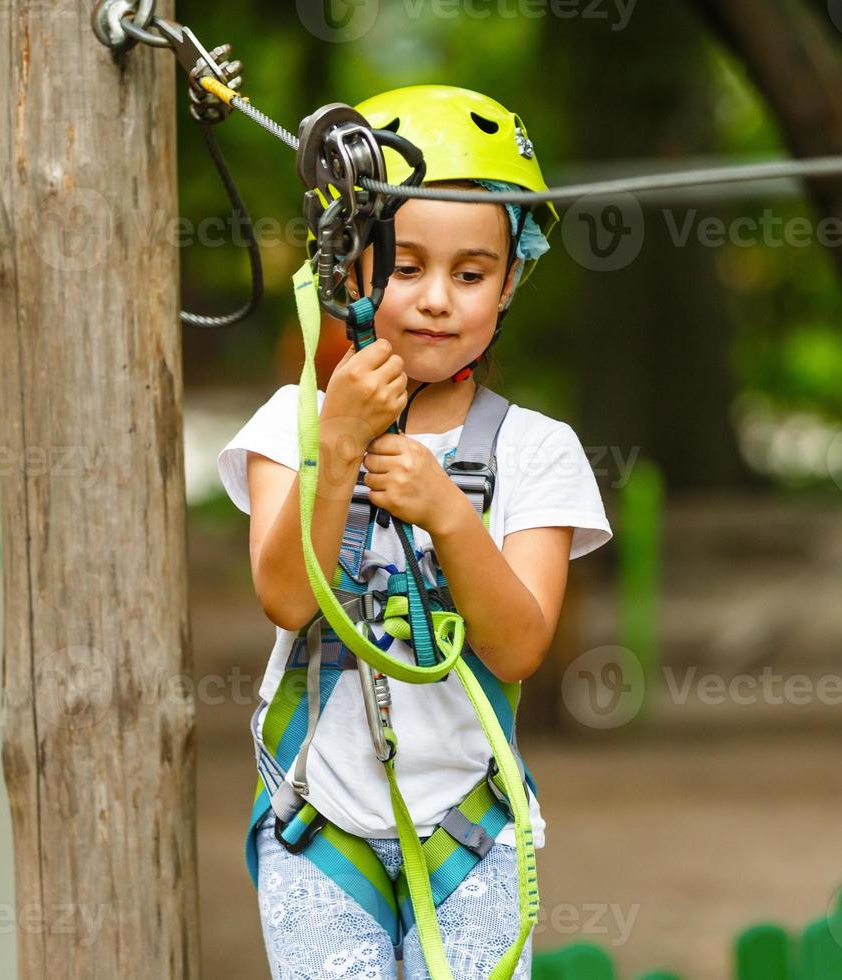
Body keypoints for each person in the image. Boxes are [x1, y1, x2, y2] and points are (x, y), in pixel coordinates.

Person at [216, 84, 612, 979]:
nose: (437, 300)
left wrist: (446, 513)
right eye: (404, 268)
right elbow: (285, 596)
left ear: (511, 280)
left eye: (470, 274)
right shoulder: (293, 425)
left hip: (471, 831)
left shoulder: (536, 451)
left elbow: (516, 647)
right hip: (319, 823)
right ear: (347, 270)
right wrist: (341, 446)